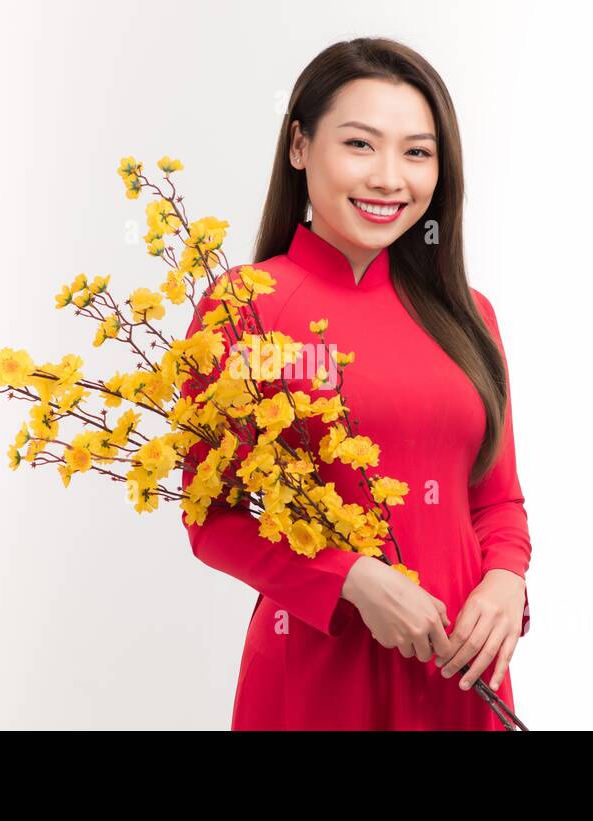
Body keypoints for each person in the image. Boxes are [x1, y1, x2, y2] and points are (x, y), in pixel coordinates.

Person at [179, 37, 532, 730]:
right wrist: (349, 578)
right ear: (300, 146)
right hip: (318, 671)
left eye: (417, 152)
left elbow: (497, 500)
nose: (390, 178)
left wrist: (505, 581)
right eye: (361, 145)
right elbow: (210, 518)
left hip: (459, 674)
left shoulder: (468, 312)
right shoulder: (243, 307)